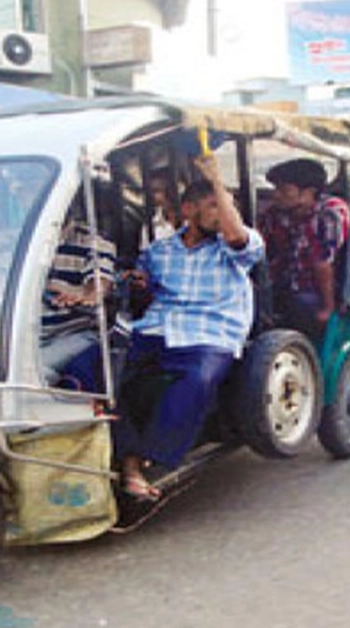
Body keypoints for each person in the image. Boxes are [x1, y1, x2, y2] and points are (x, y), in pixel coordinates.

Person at [114, 154, 265, 500]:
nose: (221, 212)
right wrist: (137, 284)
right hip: (155, 330)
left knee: (196, 381)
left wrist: (217, 182)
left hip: (209, 337)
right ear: (188, 211)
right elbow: (143, 288)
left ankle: (156, 458)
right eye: (212, 206)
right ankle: (129, 459)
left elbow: (236, 234)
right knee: (93, 369)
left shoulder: (236, 248)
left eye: (223, 206)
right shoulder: (159, 251)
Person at [258, 157, 350, 337]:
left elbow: (322, 262)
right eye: (276, 189)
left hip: (317, 290)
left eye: (284, 190)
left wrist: (327, 308)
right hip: (282, 283)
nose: (276, 195)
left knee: (300, 304)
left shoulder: (330, 212)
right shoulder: (275, 213)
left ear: (309, 192)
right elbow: (258, 247)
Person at [41, 210, 117, 393]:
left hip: (69, 334)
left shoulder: (94, 242)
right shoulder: (12, 237)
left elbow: (99, 285)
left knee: (31, 370)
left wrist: (85, 295)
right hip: (19, 335)